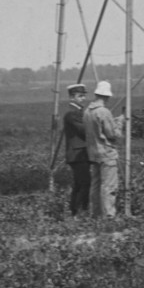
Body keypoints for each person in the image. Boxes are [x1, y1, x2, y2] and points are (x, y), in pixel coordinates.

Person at [84, 81, 125, 221]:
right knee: (109, 186)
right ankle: (109, 216)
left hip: (93, 154)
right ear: (106, 96)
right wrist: (119, 124)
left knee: (95, 185)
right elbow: (112, 134)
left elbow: (97, 130)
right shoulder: (104, 111)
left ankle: (95, 214)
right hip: (107, 154)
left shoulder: (87, 112)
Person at [62, 83, 90, 217]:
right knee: (85, 184)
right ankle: (80, 211)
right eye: (80, 96)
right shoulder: (72, 114)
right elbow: (84, 131)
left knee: (80, 184)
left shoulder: (78, 112)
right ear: (72, 97)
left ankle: (75, 211)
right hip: (77, 155)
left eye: (84, 96)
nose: (83, 99)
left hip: (80, 154)